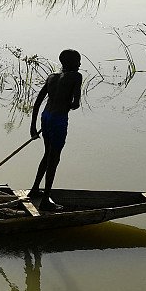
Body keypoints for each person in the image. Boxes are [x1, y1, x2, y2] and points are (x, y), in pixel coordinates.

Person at [29, 49, 83, 210]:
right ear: (71, 63)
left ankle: (34, 190)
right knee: (54, 158)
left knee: (47, 154)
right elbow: (76, 103)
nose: (80, 64)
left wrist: (33, 126)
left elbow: (38, 101)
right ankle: (45, 200)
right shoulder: (76, 76)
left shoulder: (52, 77)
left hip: (46, 118)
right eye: (78, 61)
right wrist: (69, 104)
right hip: (58, 120)